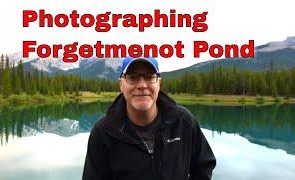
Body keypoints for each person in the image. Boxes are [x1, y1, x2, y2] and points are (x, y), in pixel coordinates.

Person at [82, 57, 216, 180]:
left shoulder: (184, 121)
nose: (142, 85)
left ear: (159, 84)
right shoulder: (103, 131)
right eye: (132, 77)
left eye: (149, 77)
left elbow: (203, 167)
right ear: (121, 85)